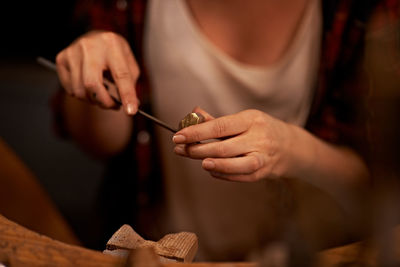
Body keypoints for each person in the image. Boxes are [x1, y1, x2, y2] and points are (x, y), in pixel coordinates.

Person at [52, 0, 399, 261]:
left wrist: (291, 148)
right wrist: (95, 77)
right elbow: (102, 142)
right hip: (154, 254)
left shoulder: (366, 11)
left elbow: (378, 192)